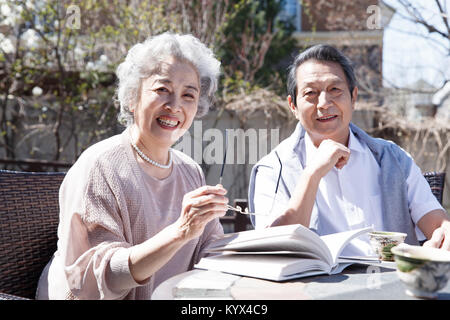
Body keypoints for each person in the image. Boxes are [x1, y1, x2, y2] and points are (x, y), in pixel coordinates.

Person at [36, 32, 227, 300]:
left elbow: (210, 247)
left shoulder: (190, 170)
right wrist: (181, 231)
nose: (175, 106)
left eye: (189, 95)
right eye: (163, 90)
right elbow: (103, 278)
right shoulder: (101, 166)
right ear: (131, 97)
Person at [248, 44, 450, 257]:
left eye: (335, 90)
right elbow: (273, 248)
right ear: (293, 106)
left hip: (393, 285)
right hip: (315, 288)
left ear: (353, 97)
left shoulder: (394, 159)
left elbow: (438, 225)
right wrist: (312, 174)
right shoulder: (273, 168)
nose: (324, 103)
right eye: (310, 93)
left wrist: (444, 233)